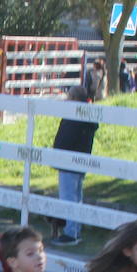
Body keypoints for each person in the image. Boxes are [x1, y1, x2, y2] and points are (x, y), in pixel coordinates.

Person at [49, 85, 94, 247]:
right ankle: (75, 230)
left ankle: (71, 233)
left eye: (69, 97)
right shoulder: (86, 115)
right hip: (78, 161)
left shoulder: (74, 116)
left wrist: (57, 153)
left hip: (69, 162)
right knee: (76, 197)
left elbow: (66, 139)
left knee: (68, 198)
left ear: (74, 99)